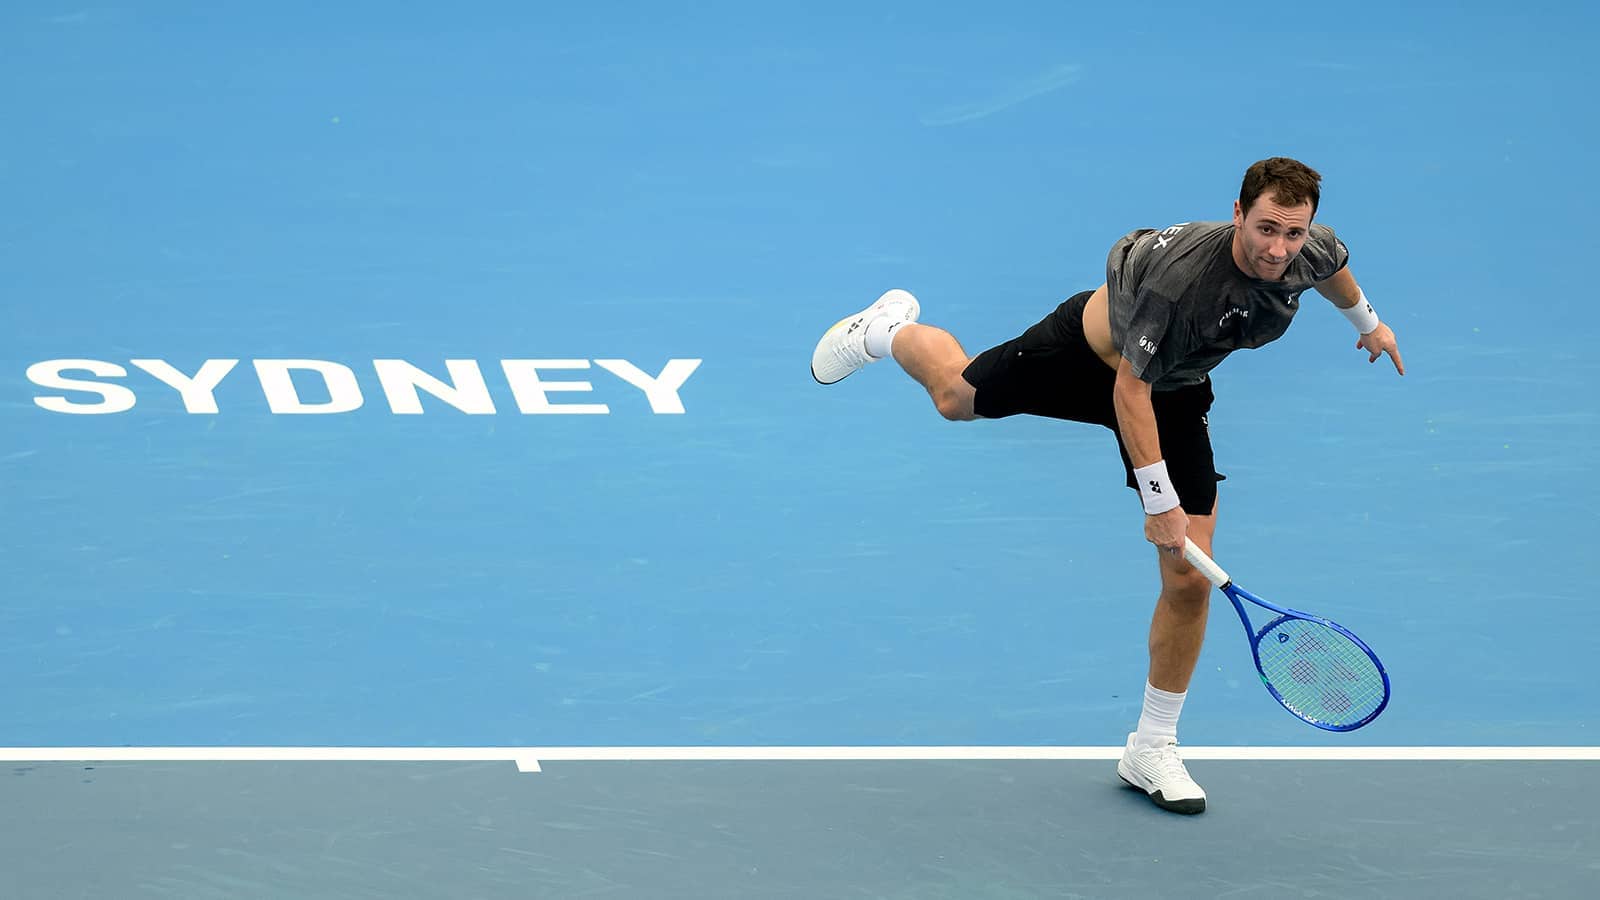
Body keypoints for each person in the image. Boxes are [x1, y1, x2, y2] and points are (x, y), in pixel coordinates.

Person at [808, 158, 1405, 814]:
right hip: (1089, 360)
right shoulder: (1183, 285)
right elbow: (1129, 388)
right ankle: (888, 328)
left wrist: (1369, 324)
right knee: (953, 397)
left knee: (1188, 577)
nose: (1277, 248)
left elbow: (1332, 271)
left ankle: (1151, 745)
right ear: (1237, 213)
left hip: (1171, 390)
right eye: (1265, 228)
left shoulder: (1307, 249)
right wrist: (1160, 504)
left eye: (1293, 233)